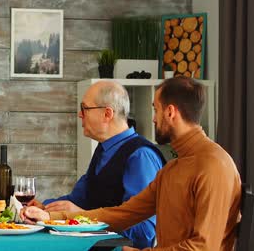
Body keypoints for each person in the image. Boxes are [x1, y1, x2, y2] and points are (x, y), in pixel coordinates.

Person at [22, 77, 241, 251]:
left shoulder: (213, 165)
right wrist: (52, 217)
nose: (153, 119)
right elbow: (122, 213)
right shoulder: (174, 168)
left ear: (170, 112)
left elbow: (204, 248)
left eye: (155, 109)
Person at [28, 80, 164, 248]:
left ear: (107, 114)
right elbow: (79, 199)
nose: (80, 114)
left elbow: (144, 233)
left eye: (85, 108)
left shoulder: (141, 156)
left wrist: (82, 217)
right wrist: (44, 208)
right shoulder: (104, 149)